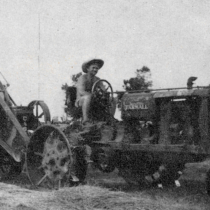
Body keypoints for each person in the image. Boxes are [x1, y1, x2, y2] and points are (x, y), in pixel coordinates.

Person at [75, 58, 104, 127]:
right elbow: (81, 91)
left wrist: (104, 93)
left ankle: (110, 118)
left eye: (97, 68)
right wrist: (92, 95)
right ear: (87, 68)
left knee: (113, 98)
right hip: (81, 100)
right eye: (93, 68)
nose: (95, 70)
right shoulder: (82, 78)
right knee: (87, 97)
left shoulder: (98, 79)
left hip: (94, 100)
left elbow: (103, 90)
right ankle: (85, 120)